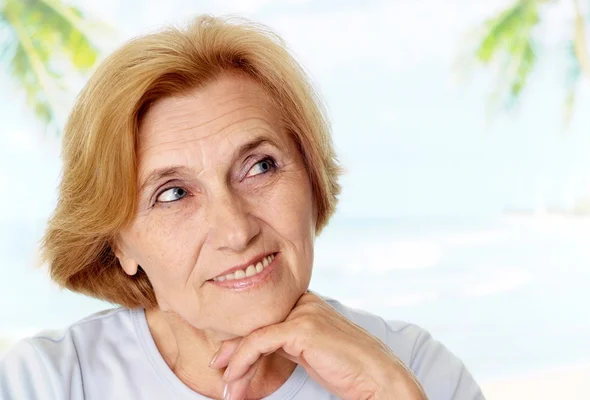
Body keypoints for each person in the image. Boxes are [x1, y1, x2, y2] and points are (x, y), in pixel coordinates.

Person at [0, 16, 485, 400]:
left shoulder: (416, 371)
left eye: (260, 167)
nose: (235, 230)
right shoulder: (43, 385)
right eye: (172, 193)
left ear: (312, 177)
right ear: (119, 244)